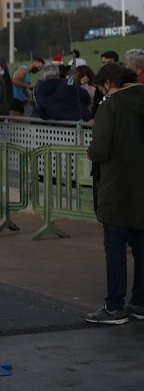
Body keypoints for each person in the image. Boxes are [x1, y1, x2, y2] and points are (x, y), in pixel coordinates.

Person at [84, 63, 143, 324]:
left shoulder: (110, 106)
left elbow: (100, 151)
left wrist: (92, 147)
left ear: (108, 83)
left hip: (117, 188)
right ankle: (140, 302)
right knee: (142, 249)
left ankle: (114, 306)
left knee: (115, 249)